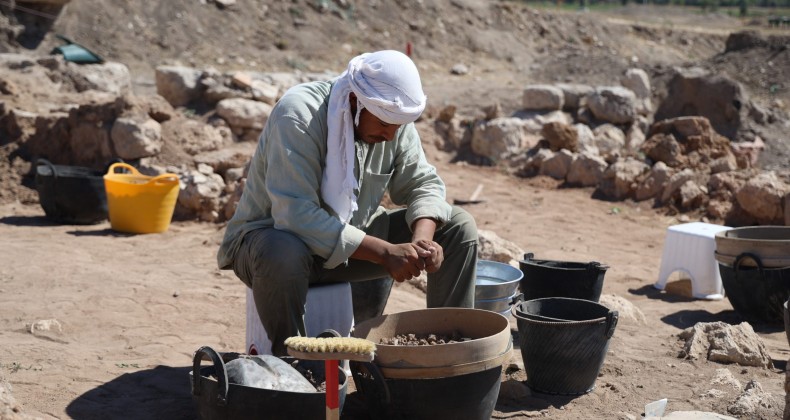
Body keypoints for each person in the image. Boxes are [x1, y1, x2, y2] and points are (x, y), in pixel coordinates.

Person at [217, 50, 478, 356]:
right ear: (355, 101)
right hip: (272, 248)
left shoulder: (392, 120)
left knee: (458, 227)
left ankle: (449, 355)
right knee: (283, 249)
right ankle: (293, 364)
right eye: (383, 124)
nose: (390, 134)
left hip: (347, 246)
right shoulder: (299, 114)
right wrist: (384, 252)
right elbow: (295, 215)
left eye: (397, 126)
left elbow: (423, 183)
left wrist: (422, 243)